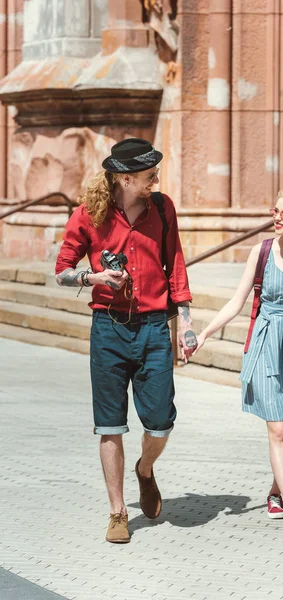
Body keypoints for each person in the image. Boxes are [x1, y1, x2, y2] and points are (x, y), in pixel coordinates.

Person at [55, 138, 197, 543]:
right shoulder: (89, 214)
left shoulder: (163, 208)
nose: (156, 179)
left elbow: (177, 267)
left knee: (160, 422)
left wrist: (184, 324)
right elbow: (62, 269)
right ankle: (118, 512)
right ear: (124, 177)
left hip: (154, 327)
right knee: (110, 424)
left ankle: (145, 469)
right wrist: (93, 277)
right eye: (149, 174)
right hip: (108, 328)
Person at [194, 188, 283, 538]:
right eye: (276, 210)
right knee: (279, 430)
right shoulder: (263, 251)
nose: (277, 217)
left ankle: (275, 492)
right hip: (268, 342)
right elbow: (237, 301)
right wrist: (205, 333)